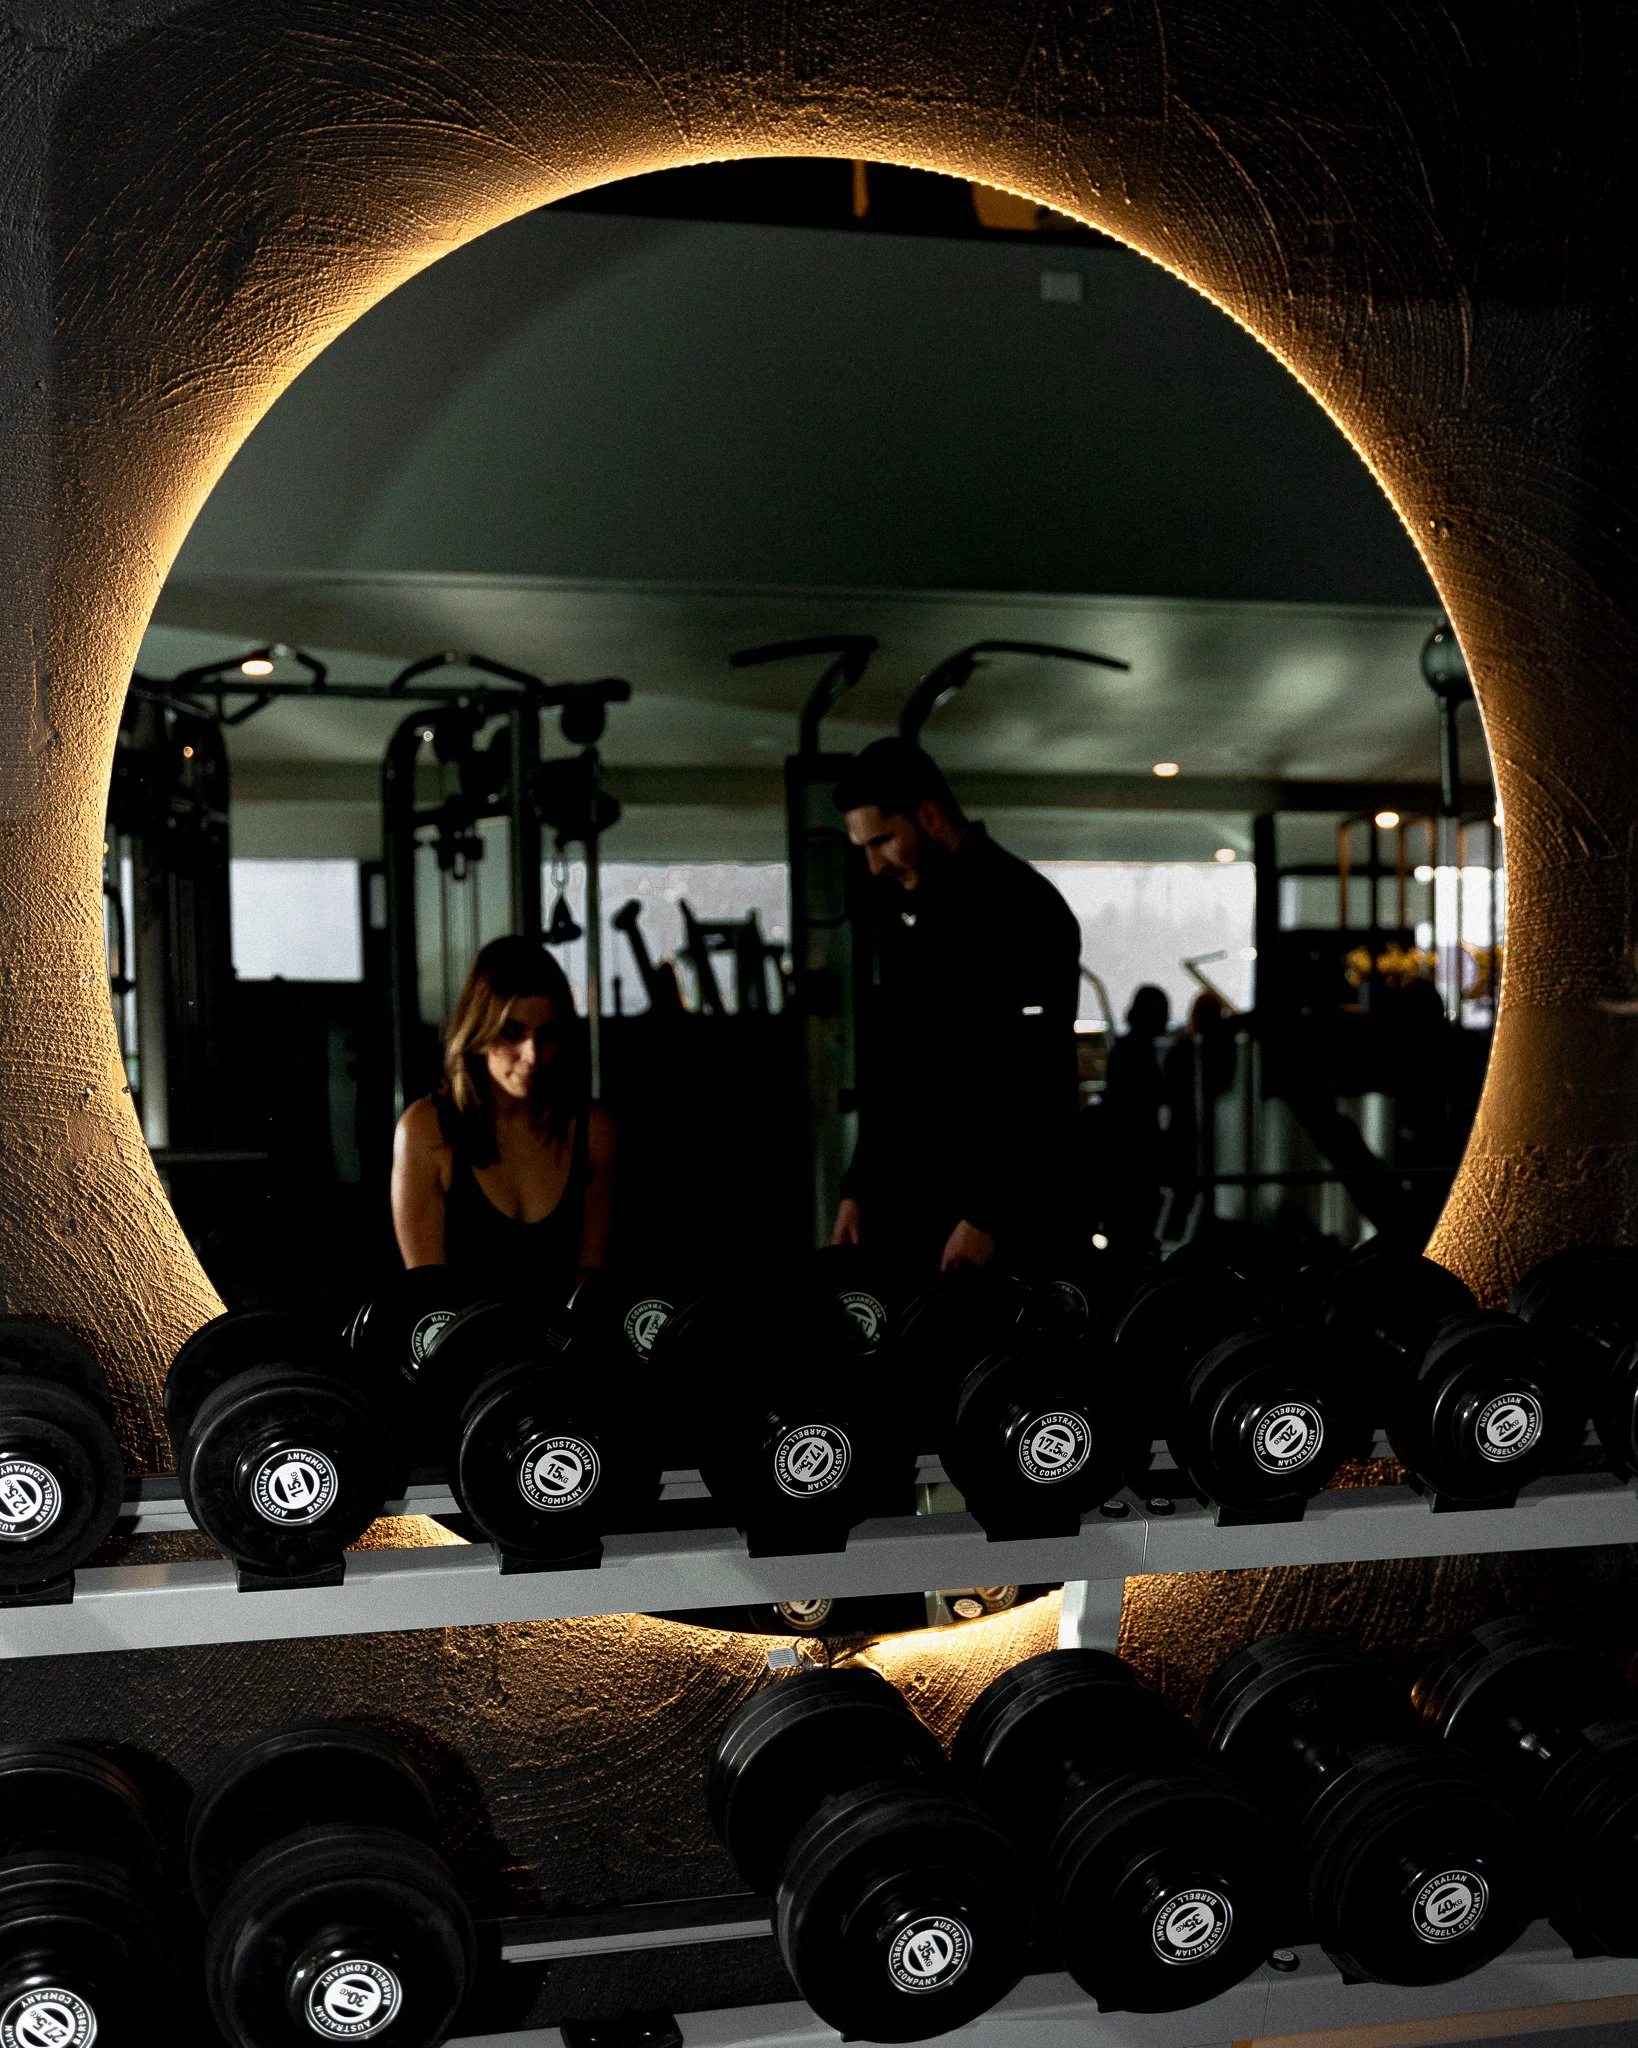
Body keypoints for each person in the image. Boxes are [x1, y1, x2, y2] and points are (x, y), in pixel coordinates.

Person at [830, 736, 1082, 1276]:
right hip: (916, 1211)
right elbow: (896, 1069)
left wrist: (988, 1216)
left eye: (883, 842)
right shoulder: (908, 913)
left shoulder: (1024, 906)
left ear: (929, 815)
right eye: (864, 849)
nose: (874, 865)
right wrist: (858, 1189)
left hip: (992, 1222)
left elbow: (1035, 1078)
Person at [391, 935, 614, 1306]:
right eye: (512, 1033)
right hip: (465, 1354)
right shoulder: (425, 1130)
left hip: (564, 1356)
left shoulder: (593, 1132)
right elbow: (429, 1304)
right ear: (479, 1030)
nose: (531, 1055)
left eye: (547, 1035)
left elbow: (591, 1294)